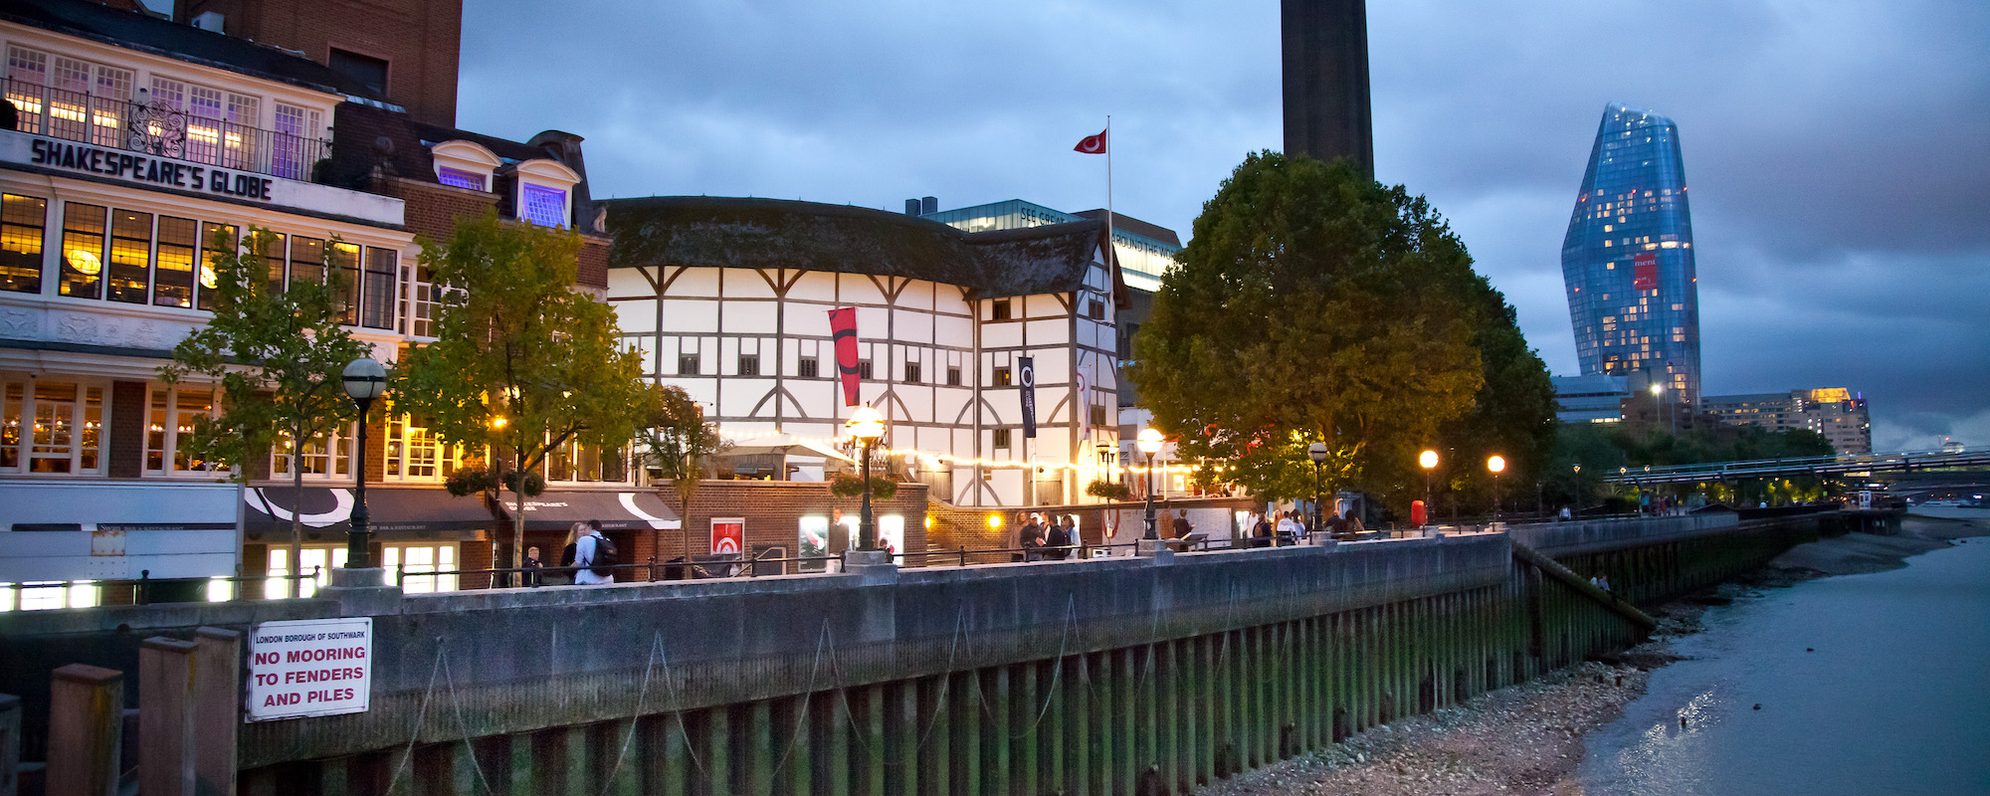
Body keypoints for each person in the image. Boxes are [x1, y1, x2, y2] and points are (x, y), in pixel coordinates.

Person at [564, 520, 616, 586]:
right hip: (607, 579)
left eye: (585, 528)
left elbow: (578, 562)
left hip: (589, 580)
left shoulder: (584, 540)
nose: (585, 530)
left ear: (590, 526)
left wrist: (568, 569)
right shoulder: (607, 540)